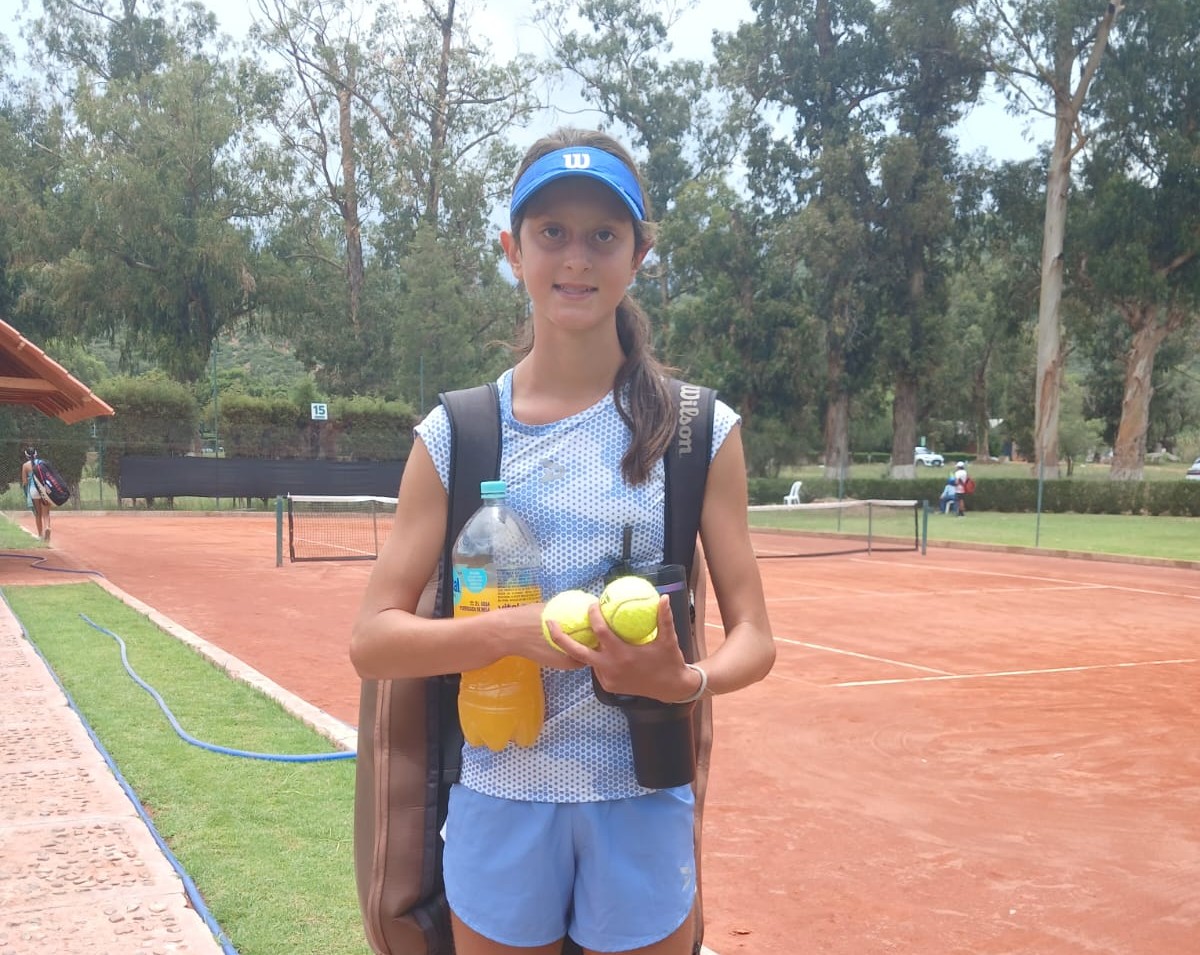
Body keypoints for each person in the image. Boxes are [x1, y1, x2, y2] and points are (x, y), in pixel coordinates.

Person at [350, 128, 776, 955]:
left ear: (639, 254)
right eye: (552, 232)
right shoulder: (457, 434)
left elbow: (755, 637)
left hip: (642, 799)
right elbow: (372, 642)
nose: (575, 258)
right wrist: (511, 633)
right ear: (513, 249)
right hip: (502, 792)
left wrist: (685, 680)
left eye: (603, 235)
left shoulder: (698, 431)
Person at [20, 447, 52, 542]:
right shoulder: (42, 463)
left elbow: (25, 482)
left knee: (38, 514)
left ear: (26, 455)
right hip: (44, 490)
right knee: (46, 513)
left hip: (33, 490)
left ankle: (40, 535)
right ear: (36, 454)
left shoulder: (25, 466)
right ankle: (47, 527)